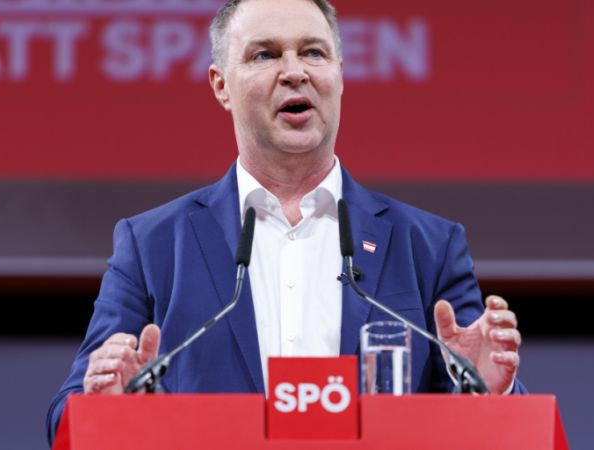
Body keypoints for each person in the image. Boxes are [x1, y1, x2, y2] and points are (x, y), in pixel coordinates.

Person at [47, 0, 524, 443]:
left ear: (339, 74)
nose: (294, 72)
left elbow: (503, 432)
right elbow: (65, 419)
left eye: (313, 53)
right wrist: (103, 407)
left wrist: (489, 391)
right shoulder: (152, 246)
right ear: (221, 85)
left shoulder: (429, 245)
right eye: (265, 55)